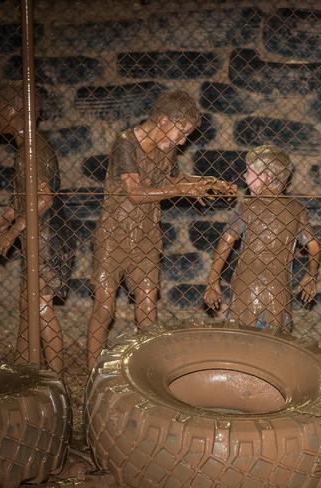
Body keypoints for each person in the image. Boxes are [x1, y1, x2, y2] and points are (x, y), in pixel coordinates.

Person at [87, 91, 237, 368]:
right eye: (181, 133)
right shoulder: (126, 143)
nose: (182, 141)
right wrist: (180, 188)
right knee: (104, 306)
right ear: (164, 120)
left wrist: (207, 182)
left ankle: (147, 371)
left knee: (147, 306)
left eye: (187, 137)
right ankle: (93, 370)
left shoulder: (166, 149)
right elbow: (135, 193)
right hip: (114, 234)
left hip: (146, 235)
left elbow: (173, 179)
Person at [0, 81, 67, 374]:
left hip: (46, 238)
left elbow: (44, 199)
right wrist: (4, 219)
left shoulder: (33, 151)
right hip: (39, 235)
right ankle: (24, 367)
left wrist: (12, 231)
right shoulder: (28, 149)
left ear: (13, 110)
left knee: (40, 305)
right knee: (29, 303)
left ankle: (56, 378)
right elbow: (26, 200)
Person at [204, 145, 321, 332]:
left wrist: (213, 279)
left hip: (247, 289)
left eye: (249, 172)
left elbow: (227, 240)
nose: (244, 176)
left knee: (243, 334)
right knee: (275, 335)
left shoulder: (247, 207)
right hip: (279, 290)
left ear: (264, 177)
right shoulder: (296, 209)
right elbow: (314, 245)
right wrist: (311, 275)